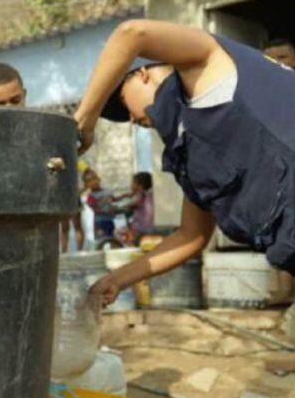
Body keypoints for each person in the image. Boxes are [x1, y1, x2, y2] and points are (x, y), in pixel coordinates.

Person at [74, 19, 295, 307]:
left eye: (122, 101)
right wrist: (117, 279)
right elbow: (191, 236)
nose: (130, 119)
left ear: (141, 73)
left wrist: (84, 120)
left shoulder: (208, 69)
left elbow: (131, 34)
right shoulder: (192, 154)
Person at [81, 169, 117, 240]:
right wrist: (106, 212)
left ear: (99, 179)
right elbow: (95, 210)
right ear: (86, 184)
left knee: (111, 239)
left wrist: (126, 195)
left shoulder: (107, 191)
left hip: (110, 220)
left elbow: (114, 200)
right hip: (100, 222)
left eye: (94, 178)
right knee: (101, 241)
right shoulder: (91, 196)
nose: (93, 182)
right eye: (89, 181)